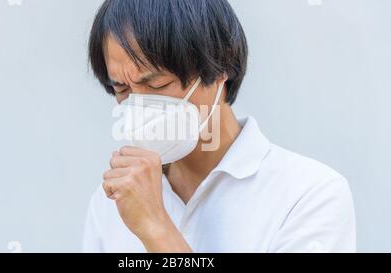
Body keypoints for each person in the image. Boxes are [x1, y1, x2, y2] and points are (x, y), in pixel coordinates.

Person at [82, 0, 356, 253]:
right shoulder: (113, 199)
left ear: (220, 67)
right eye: (122, 88)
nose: (139, 105)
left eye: (157, 85)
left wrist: (156, 228)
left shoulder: (308, 194)